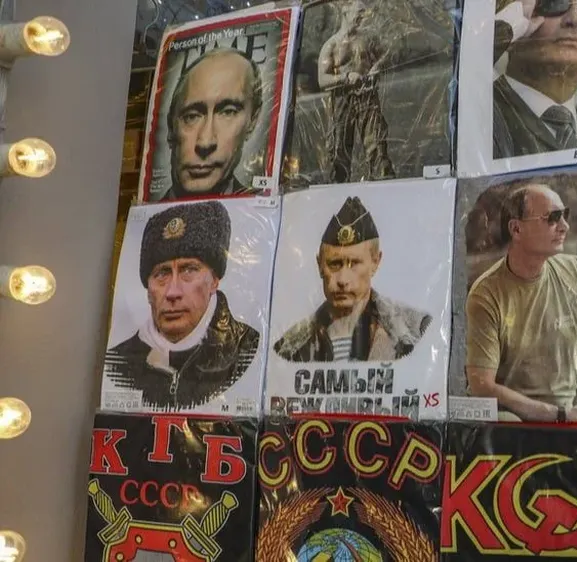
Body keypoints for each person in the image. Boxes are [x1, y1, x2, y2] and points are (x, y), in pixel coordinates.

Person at [464, 183, 577, 423]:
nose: (565, 226)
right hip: (507, 430)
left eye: (565, 215)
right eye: (552, 217)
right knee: (509, 420)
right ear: (516, 229)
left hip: (567, 423)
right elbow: (481, 385)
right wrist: (558, 415)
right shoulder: (486, 293)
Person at [104, 201, 260, 410]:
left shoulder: (248, 350)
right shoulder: (118, 364)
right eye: (161, 273)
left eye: (189, 270)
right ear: (148, 288)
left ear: (214, 280)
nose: (172, 292)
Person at [273, 196, 431, 362]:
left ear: (376, 262)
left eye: (354, 263)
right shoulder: (290, 346)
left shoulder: (413, 329)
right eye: (334, 264)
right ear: (320, 265)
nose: (343, 280)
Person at [491, 0, 577, 158]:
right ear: (516, 23)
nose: (575, 19)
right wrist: (501, 31)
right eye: (553, 3)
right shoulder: (476, 113)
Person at [157, 48, 263, 201]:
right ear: (171, 127)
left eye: (228, 112)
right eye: (192, 116)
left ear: (252, 120)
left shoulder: (259, 217)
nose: (205, 142)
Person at [317, 0, 394, 182]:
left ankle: (383, 184)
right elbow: (322, 80)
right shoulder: (332, 45)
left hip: (367, 96)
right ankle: (337, 191)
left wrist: (377, 67)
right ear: (345, 11)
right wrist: (345, 77)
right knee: (338, 151)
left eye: (363, 13)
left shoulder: (367, 39)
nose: (362, 17)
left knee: (376, 145)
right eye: (358, 12)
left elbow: (387, 55)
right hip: (341, 101)